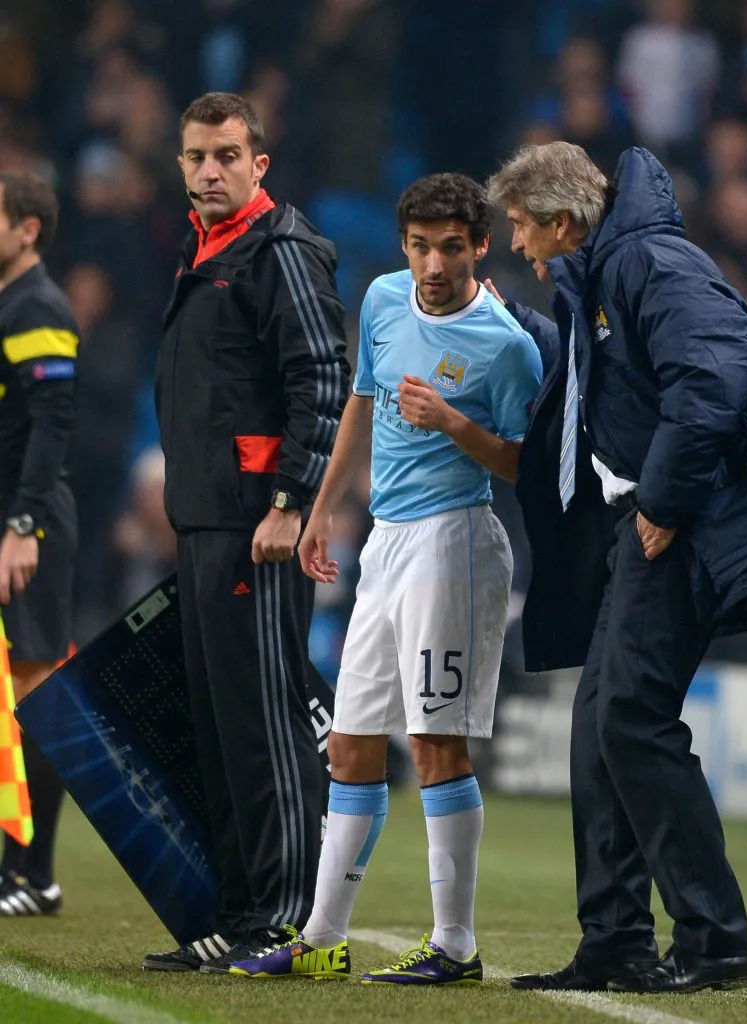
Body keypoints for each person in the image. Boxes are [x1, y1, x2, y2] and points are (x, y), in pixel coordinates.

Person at [485, 141, 747, 993]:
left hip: (683, 526)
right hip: (641, 524)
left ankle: (715, 938)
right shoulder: (602, 273)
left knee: (632, 720)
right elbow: (602, 385)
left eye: (525, 230)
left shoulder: (652, 259)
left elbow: (713, 376)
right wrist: (518, 323)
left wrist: (663, 504)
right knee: (600, 727)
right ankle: (614, 940)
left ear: (564, 222)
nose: (520, 246)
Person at [228, 173, 543, 984]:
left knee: (436, 744)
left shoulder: (507, 345)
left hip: (456, 545)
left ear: (479, 246)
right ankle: (322, 937)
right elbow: (362, 404)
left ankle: (455, 945)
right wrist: (320, 508)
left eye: (448, 246)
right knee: (351, 743)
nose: (431, 263)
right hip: (388, 544)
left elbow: (522, 467)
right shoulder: (381, 299)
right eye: (418, 245)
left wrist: (454, 423)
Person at [143, 92, 349, 973]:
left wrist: (289, 503)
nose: (210, 170)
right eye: (196, 156)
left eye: (228, 155)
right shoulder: (205, 250)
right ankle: (238, 910)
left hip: (256, 528)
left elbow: (324, 379)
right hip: (206, 520)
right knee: (222, 726)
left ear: (258, 165)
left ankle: (284, 917)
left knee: (266, 724)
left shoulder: (280, 253)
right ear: (181, 165)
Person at [0, 172, 78, 917]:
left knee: (34, 698)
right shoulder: (9, 305)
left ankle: (35, 873)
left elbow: (53, 424)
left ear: (27, 228)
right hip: (12, 518)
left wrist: (24, 526)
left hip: (27, 524)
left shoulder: (38, 307)